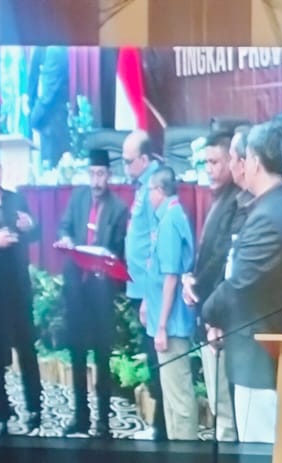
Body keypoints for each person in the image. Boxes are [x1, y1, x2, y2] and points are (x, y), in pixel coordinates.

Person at [201, 122, 282, 444]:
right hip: (253, 348)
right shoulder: (271, 206)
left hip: (258, 356)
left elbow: (239, 284)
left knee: (259, 454)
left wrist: (208, 313)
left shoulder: (269, 216)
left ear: (255, 161)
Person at [54, 148, 130, 437]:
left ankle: (104, 422)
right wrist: (65, 239)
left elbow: (119, 251)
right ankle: (81, 417)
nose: (96, 180)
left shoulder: (118, 208)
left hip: (100, 293)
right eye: (92, 174)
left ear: (109, 176)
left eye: (101, 174)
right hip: (76, 292)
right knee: (77, 354)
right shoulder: (78, 198)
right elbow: (64, 226)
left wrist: (105, 259)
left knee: (101, 357)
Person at [183, 130, 249, 442]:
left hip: (223, 319)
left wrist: (199, 289)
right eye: (205, 162)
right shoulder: (218, 200)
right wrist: (190, 277)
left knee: (225, 407)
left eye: (215, 162)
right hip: (209, 312)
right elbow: (206, 255)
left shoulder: (237, 202)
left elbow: (224, 260)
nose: (209, 169)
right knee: (217, 400)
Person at [0, 150, 43, 435]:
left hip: (18, 289)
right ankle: (1, 411)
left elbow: (36, 234)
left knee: (27, 350)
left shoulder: (16, 199)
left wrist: (31, 226)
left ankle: (35, 408)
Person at [143, 165, 197, 441]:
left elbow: (171, 277)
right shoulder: (170, 216)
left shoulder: (169, 221)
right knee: (172, 397)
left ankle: (186, 455)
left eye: (150, 190)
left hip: (172, 324)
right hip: (167, 320)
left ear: (160, 190)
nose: (147, 196)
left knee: (179, 397)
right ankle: (177, 451)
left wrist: (161, 326)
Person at [121, 131, 164, 440]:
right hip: (139, 287)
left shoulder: (155, 186)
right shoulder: (142, 184)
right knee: (151, 357)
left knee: (157, 357)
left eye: (128, 161)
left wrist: (149, 294)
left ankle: (161, 427)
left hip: (151, 291)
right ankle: (159, 424)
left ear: (145, 159)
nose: (125, 167)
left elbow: (157, 244)